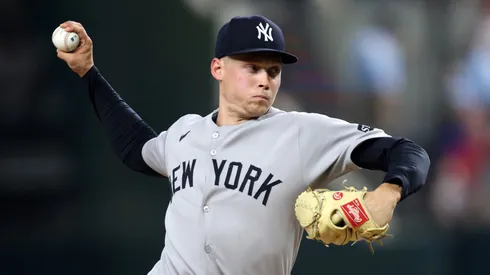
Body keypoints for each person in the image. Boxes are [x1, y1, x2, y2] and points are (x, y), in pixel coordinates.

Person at [56, 15, 430, 275]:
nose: (264, 80)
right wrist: (88, 73)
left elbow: (406, 152)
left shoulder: (302, 133)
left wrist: (389, 192)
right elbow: (137, 149)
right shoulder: (187, 133)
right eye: (252, 67)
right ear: (218, 68)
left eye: (273, 71)